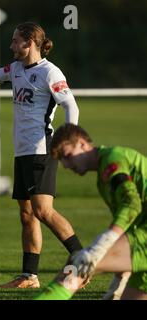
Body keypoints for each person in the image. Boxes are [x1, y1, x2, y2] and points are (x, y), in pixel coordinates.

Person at [0, 22, 82, 288]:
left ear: (29, 43)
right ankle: (29, 276)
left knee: (43, 210)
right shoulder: (16, 69)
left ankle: (82, 258)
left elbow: (70, 106)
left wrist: (66, 140)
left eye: (16, 41)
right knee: (27, 214)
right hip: (23, 152)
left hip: (42, 150)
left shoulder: (50, 72)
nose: (11, 46)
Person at [34, 123, 147, 300]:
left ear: (82, 143)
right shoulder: (102, 177)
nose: (66, 165)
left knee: (75, 266)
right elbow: (131, 219)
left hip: (143, 238)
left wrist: (103, 243)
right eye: (62, 161)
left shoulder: (112, 160)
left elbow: (132, 205)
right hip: (141, 237)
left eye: (68, 156)